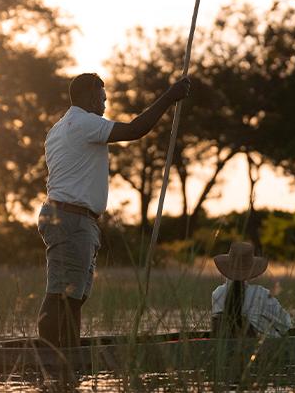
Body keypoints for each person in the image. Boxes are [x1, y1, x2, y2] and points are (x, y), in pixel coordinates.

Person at [37, 72, 189, 348]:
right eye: (103, 100)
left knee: (75, 298)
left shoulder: (57, 129)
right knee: (61, 293)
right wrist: (170, 96)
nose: (105, 106)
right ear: (90, 98)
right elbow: (134, 130)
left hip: (69, 217)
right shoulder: (84, 123)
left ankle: (69, 359)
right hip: (71, 219)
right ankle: (48, 358)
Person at [211, 241, 292, 338]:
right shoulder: (261, 294)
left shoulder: (217, 294)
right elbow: (285, 325)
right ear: (250, 271)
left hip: (228, 350)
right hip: (262, 349)